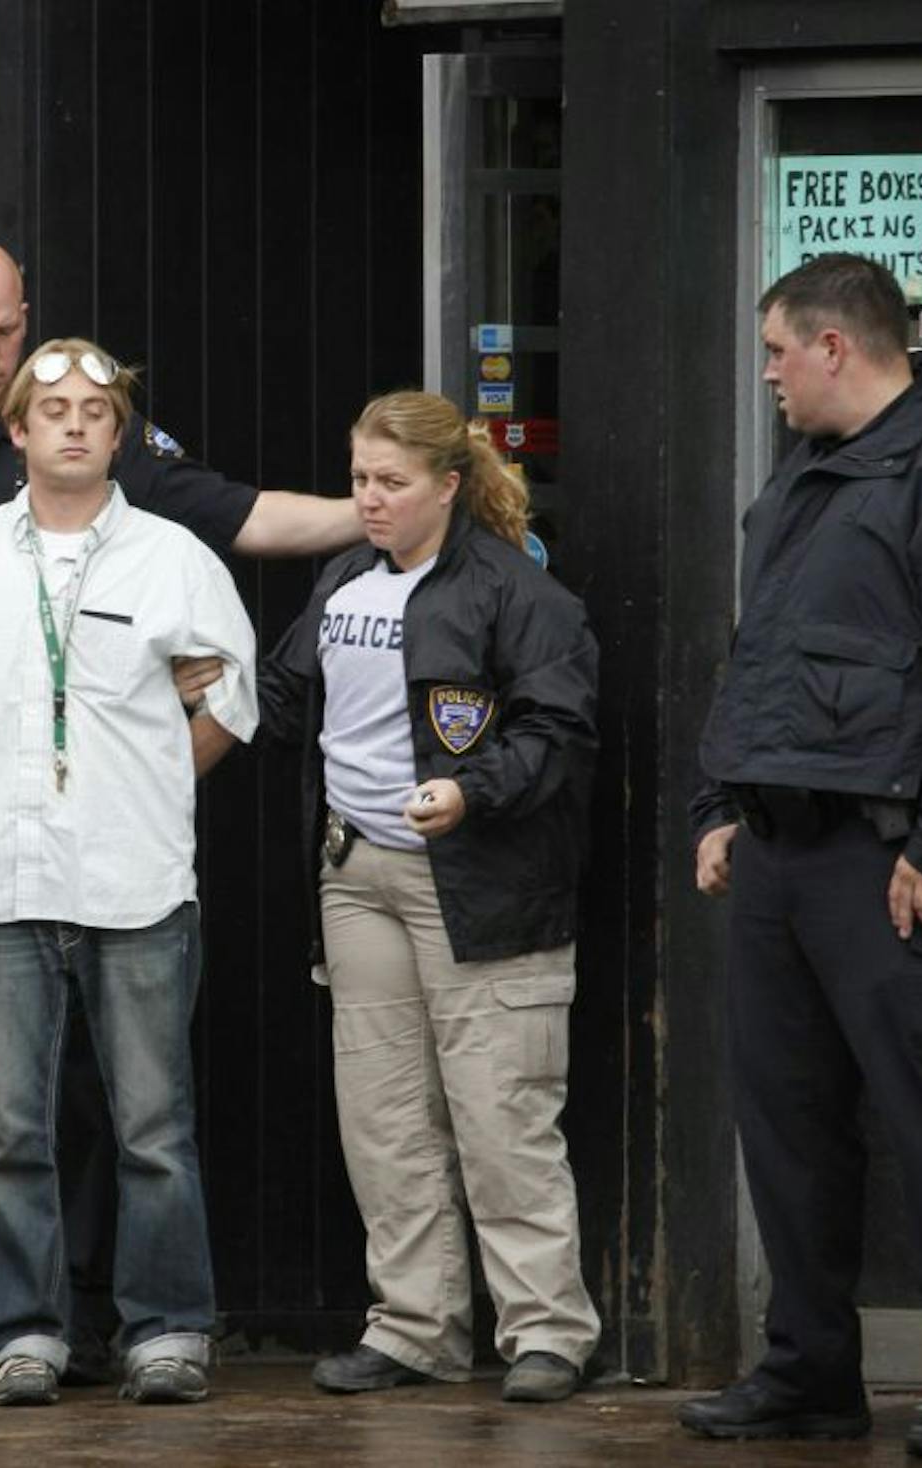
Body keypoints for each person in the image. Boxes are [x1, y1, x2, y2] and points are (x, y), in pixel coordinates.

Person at [0, 237, 361, 1386]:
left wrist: (383, 508)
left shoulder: (161, 537)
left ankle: (137, 1319)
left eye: (14, 334)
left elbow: (238, 628)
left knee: (139, 1113)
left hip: (127, 868)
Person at [679, 253, 922, 1460]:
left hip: (895, 863)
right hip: (782, 856)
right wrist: (719, 806)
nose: (773, 375)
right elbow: (762, 662)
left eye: (779, 351)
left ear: (836, 345)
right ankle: (807, 1372)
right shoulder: (800, 481)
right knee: (788, 1127)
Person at [0, 338, 257, 1406]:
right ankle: (23, 1333)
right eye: (49, 409)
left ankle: (169, 1328)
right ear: (14, 430)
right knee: (8, 1127)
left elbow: (232, 699)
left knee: (153, 1124)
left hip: (133, 883)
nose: (71, 426)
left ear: (119, 436)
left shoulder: (173, 559)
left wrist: (148, 780)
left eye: (94, 413)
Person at [258, 389, 602, 1405]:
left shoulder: (518, 593)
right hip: (355, 869)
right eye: (360, 478)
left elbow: (560, 731)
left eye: (391, 483)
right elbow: (285, 701)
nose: (369, 499)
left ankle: (546, 1330)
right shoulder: (342, 582)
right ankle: (415, 1325)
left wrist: (470, 789)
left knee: (502, 1110)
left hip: (481, 877)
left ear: (448, 486)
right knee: (385, 1114)